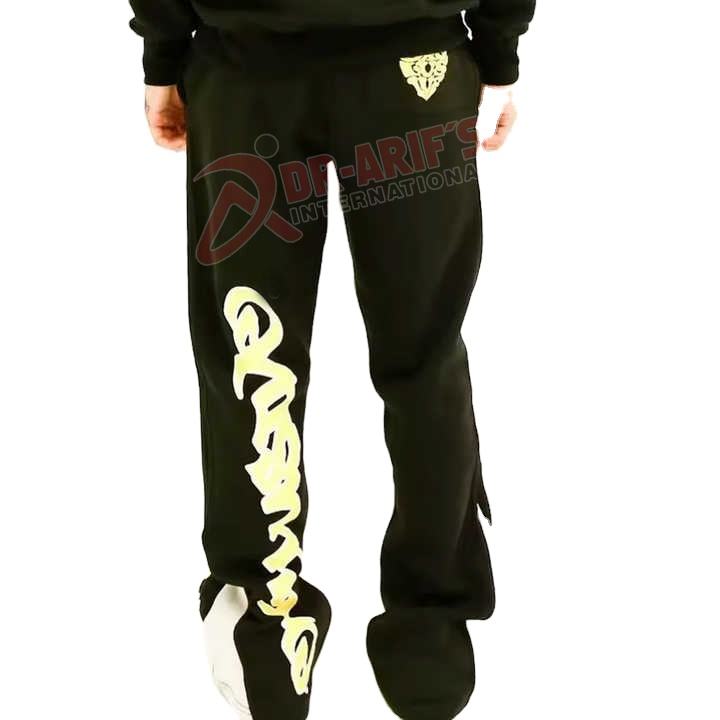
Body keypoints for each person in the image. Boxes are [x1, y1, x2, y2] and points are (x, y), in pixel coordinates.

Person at [128, 2, 535, 719]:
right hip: (413, 67)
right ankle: (431, 640)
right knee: (425, 354)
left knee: (254, 357)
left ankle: (267, 632)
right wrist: (498, 50)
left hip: (249, 68)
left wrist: (164, 49)